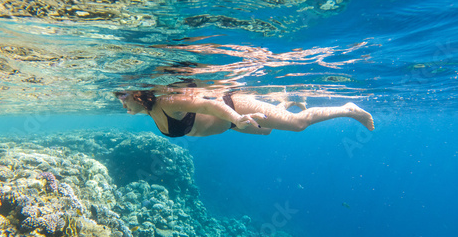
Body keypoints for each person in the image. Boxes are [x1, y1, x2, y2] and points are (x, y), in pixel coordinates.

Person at [115, 89, 374, 137]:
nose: (122, 104)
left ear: (138, 94)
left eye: (122, 97)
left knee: (297, 124)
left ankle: (348, 110)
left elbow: (206, 106)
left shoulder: (167, 102)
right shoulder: (150, 112)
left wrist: (237, 118)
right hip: (231, 125)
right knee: (269, 130)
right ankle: (282, 102)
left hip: (235, 109)